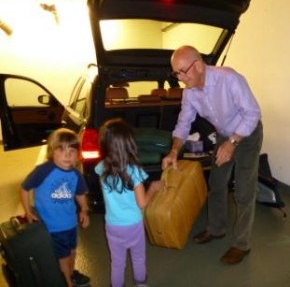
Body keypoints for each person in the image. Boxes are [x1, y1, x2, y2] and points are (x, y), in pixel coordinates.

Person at [162, 45, 263, 265]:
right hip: (225, 135)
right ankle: (217, 228)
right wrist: (173, 152)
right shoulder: (189, 93)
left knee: (244, 190)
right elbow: (183, 123)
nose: (179, 78)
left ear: (198, 65)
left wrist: (233, 143)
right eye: (175, 73)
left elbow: (253, 113)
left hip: (247, 133)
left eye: (182, 71)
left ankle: (242, 244)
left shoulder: (229, 78)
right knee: (217, 183)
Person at [95, 118, 163, 287]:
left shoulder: (101, 167)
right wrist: (153, 189)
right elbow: (142, 203)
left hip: (112, 225)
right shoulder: (134, 171)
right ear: (129, 144)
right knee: (138, 258)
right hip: (133, 224)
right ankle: (140, 284)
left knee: (117, 263)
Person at [20, 128, 91, 287]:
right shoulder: (44, 170)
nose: (67, 155)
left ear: (77, 154)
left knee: (72, 253)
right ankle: (66, 282)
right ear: (52, 151)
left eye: (72, 150)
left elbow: (80, 194)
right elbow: (24, 188)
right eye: (62, 149)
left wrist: (85, 210)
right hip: (52, 227)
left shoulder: (75, 174)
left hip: (70, 224)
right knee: (62, 258)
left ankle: (71, 275)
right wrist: (28, 211)